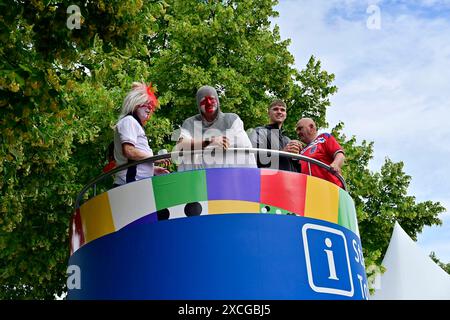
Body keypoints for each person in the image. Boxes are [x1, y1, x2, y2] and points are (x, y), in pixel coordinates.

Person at [175, 85, 256, 170]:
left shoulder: (231, 120)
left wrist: (197, 146)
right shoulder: (190, 123)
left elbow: (239, 145)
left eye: (211, 99)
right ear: (199, 105)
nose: (209, 103)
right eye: (204, 101)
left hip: (229, 174)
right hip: (199, 176)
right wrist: (210, 141)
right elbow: (181, 146)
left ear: (217, 100)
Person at [113, 82, 170, 186]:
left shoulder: (133, 123)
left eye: (151, 106)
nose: (149, 109)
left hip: (135, 184)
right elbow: (129, 151)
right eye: (146, 104)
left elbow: (132, 161)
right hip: (130, 185)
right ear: (135, 104)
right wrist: (154, 159)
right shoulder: (129, 121)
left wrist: (153, 169)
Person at [249, 99, 302, 172]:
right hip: (267, 179)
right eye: (275, 109)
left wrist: (297, 157)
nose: (279, 112)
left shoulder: (287, 140)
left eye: (282, 110)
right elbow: (254, 156)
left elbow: (297, 168)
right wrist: (283, 152)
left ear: (285, 115)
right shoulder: (260, 132)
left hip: (288, 181)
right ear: (268, 113)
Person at [295, 117, 345, 188]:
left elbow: (340, 154)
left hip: (330, 189)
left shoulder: (323, 138)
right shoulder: (301, 151)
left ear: (311, 127)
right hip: (309, 191)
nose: (298, 133)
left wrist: (336, 164)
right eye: (297, 130)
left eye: (300, 129)